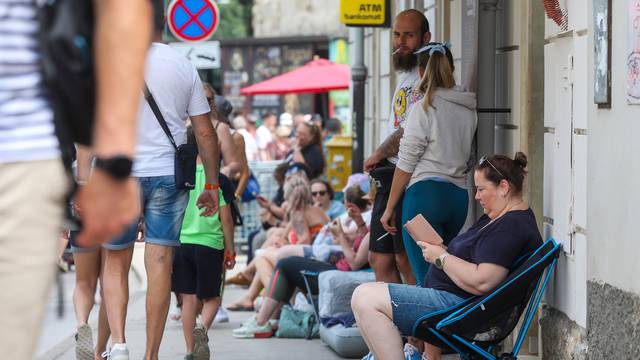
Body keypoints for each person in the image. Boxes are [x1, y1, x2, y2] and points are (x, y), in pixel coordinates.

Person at [0, 1, 150, 358]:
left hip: (21, 150)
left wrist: (110, 165)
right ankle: (118, 343)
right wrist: (110, 166)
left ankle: (92, 331)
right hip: (23, 157)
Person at [99, 2, 221, 358]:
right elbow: (206, 133)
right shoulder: (182, 65)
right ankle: (151, 355)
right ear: (163, 23)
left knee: (116, 260)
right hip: (168, 174)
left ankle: (119, 344)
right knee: (160, 265)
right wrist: (211, 185)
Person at [352, 153, 543, 360]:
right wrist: (440, 250)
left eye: (481, 189)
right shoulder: (500, 218)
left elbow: (483, 281)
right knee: (363, 296)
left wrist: (441, 258)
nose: (477, 197)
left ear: (503, 187)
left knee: (366, 299)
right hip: (451, 302)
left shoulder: (509, 227)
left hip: (457, 310)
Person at [381, 43, 477, 284]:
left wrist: (390, 207)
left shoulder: (422, 108)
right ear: (451, 68)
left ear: (421, 72)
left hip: (425, 198)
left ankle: (431, 322)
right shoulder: (468, 109)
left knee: (426, 279)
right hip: (458, 199)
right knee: (444, 273)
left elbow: (406, 162)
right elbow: (470, 157)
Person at [232, 184, 372, 338]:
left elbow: (355, 262)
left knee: (283, 263)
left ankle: (261, 320)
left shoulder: (303, 212)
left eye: (321, 193)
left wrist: (340, 236)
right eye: (314, 193)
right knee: (282, 262)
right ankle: (265, 319)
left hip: (342, 268)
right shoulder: (369, 221)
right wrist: (358, 222)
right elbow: (360, 241)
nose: (317, 196)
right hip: (337, 264)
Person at [364, 9, 431, 286]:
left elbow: (410, 130)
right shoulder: (405, 75)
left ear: (425, 37)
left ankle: (415, 326)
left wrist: (380, 152)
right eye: (397, 35)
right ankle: (391, 322)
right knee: (379, 258)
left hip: (410, 174)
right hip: (389, 173)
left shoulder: (426, 79)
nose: (400, 42)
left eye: (409, 35)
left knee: (406, 258)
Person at [172, 127, 236, 360]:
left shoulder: (180, 176)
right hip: (210, 243)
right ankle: (203, 328)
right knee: (212, 298)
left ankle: (190, 350)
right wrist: (230, 249)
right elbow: (226, 219)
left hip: (182, 243)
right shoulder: (218, 180)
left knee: (187, 298)